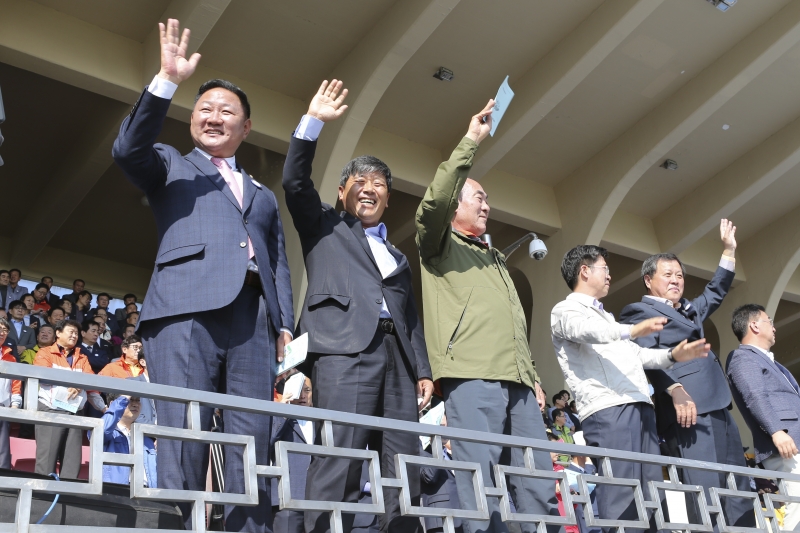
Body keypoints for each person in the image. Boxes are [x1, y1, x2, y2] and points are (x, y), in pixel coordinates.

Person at [112, 19, 294, 532]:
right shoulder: (170, 163)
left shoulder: (261, 193)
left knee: (250, 435)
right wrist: (165, 81)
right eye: (204, 109)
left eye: (226, 112)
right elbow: (127, 150)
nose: (213, 118)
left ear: (246, 128)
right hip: (184, 308)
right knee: (183, 427)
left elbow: (277, 258)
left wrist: (283, 322)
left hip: (252, 319)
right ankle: (175, 524)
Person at [282, 78, 431, 533]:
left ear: (389, 196)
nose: (370, 189)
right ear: (343, 191)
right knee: (340, 457)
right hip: (345, 352)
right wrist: (313, 124)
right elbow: (294, 181)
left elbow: (410, 318)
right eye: (360, 182)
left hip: (398, 363)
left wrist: (423, 369)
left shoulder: (399, 255)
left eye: (380, 183)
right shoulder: (324, 226)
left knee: (403, 464)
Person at [415, 100, 558, 533]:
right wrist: (470, 142)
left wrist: (532, 375)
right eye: (479, 197)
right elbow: (433, 202)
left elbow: (515, 326)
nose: (486, 206)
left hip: (518, 383)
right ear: (455, 205)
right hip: (473, 376)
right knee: (481, 484)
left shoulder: (495, 259)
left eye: (488, 200)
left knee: (537, 483)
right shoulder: (439, 244)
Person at [550, 245, 710, 531]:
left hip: (640, 408)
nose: (610, 276)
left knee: (651, 499)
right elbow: (590, 332)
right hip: (609, 410)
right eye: (605, 269)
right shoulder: (566, 310)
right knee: (622, 500)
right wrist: (632, 330)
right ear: (584, 271)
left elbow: (640, 356)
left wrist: (673, 356)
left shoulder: (608, 319)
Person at [619, 219, 753, 530]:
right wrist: (675, 388)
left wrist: (729, 250)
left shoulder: (689, 310)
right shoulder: (638, 312)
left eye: (680, 275)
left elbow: (716, 289)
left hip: (718, 405)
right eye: (668, 275)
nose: (676, 280)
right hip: (687, 409)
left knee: (738, 485)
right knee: (705, 490)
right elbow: (644, 357)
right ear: (648, 280)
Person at [726, 304, 800, 531]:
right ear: (754, 325)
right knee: (797, 505)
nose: (775, 327)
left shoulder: (772, 363)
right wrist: (777, 431)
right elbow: (754, 396)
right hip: (786, 444)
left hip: (793, 441)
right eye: (770, 321)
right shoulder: (743, 358)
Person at [28, 319, 106, 479]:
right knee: (47, 456)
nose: (74, 335)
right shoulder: (45, 353)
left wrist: (103, 407)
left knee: (72, 459)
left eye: (76, 333)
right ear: (58, 333)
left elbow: (91, 382)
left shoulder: (82, 357)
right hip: (50, 409)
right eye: (71, 331)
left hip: (75, 412)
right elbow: (43, 377)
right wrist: (76, 383)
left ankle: (66, 496)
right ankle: (42, 497)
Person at [270, 375, 313, 533]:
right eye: (299, 390)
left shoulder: (322, 422)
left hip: (318, 501)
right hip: (288, 499)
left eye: (307, 390)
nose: (303, 396)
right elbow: (267, 441)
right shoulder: (282, 419)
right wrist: (282, 412)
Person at [96, 394, 157, 487]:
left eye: (138, 400)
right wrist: (123, 399)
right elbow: (101, 430)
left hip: (146, 492)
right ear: (113, 404)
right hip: (116, 491)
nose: (135, 404)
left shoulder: (147, 438)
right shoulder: (107, 432)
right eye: (130, 400)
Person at [419, 414, 462, 533]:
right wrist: (436, 442)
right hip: (441, 517)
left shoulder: (450, 452)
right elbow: (429, 475)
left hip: (465, 515)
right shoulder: (420, 448)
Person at [0, 318, 22, 469]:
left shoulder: (11, 358)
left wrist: (15, 404)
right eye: (0, 329)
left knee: (1, 447)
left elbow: (16, 384)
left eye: (5, 330)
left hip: (2, 406)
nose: (2, 333)